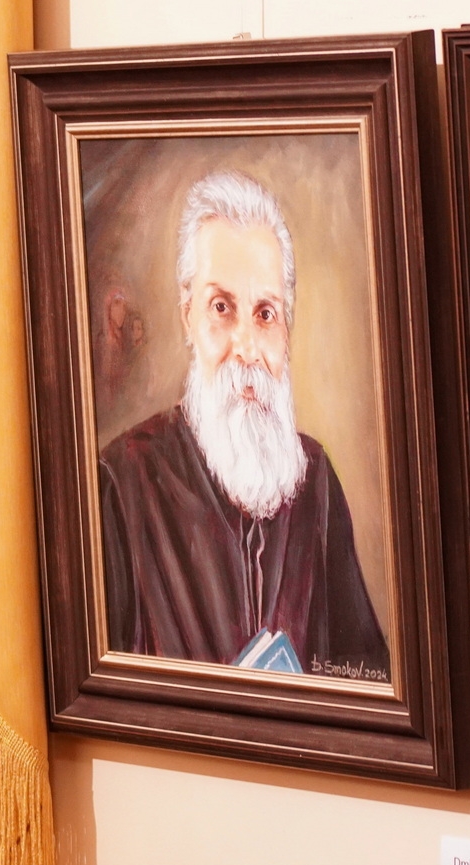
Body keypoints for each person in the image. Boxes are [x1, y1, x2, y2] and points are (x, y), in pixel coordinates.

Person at [98, 170, 389, 682]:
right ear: (188, 315)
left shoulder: (315, 479)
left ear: (287, 329)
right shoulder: (122, 482)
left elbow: (366, 675)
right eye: (222, 308)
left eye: (265, 314)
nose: (247, 348)